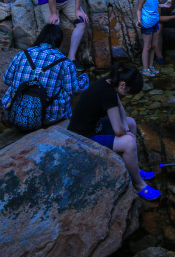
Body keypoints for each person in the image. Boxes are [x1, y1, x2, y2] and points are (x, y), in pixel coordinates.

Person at [68, 60, 160, 200]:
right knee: (129, 143)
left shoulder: (110, 80)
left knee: (131, 123)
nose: (127, 96)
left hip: (94, 126)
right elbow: (118, 131)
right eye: (128, 93)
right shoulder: (107, 93)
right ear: (123, 85)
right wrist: (125, 133)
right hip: (82, 137)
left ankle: (132, 168)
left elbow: (119, 107)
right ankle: (139, 185)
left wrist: (126, 129)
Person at [2, 24, 89, 125]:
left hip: (15, 111)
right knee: (64, 89)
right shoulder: (65, 63)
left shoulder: (22, 54)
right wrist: (84, 78)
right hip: (49, 117)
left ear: (41, 37)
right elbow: (73, 90)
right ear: (59, 41)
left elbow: (7, 80)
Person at [136, 0, 160, 77]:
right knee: (147, 46)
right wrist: (138, 20)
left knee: (153, 45)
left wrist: (165, 5)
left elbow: (155, 5)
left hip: (155, 21)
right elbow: (139, 9)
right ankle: (145, 69)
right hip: (146, 23)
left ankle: (151, 66)